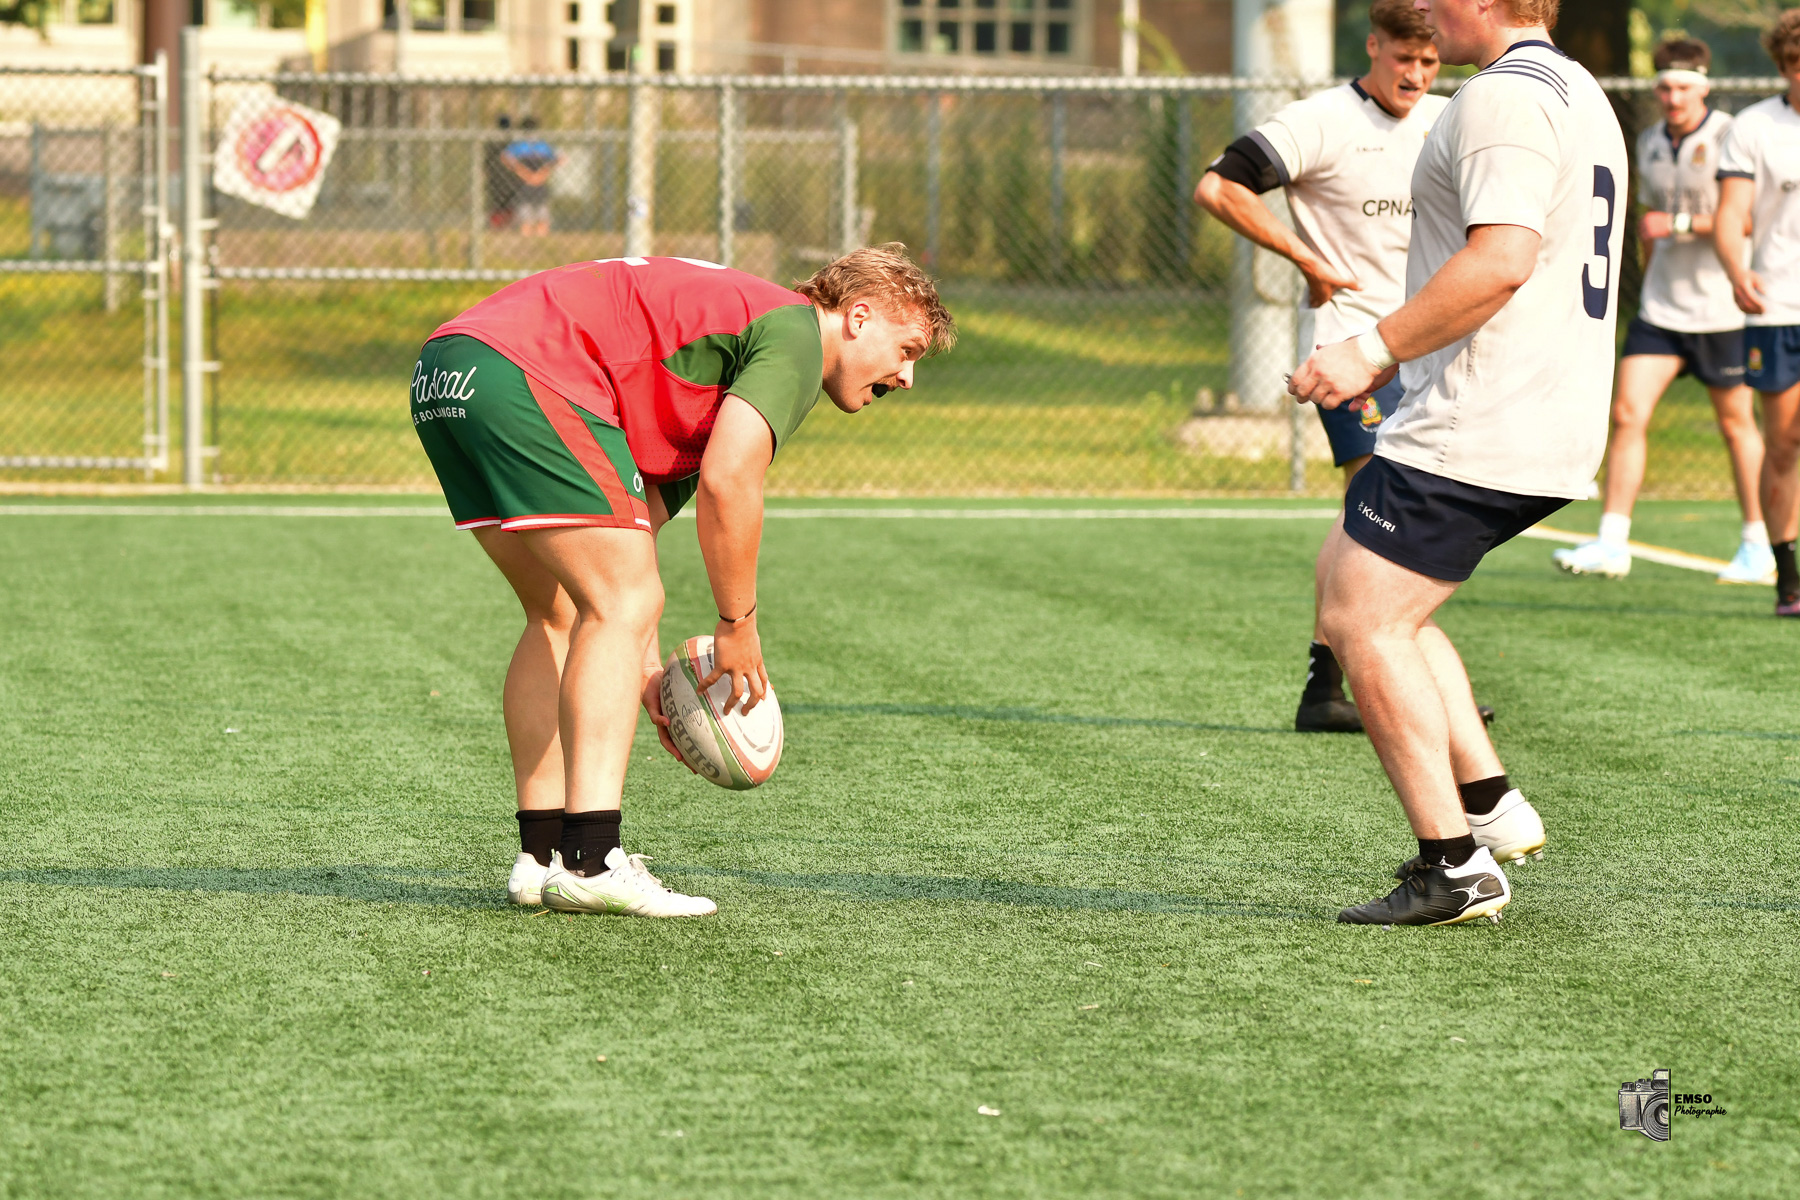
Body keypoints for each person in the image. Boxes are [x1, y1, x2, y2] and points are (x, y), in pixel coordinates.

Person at [411, 248, 955, 916]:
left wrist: (649, 685)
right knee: (620, 600)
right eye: (906, 350)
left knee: (560, 609)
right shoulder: (793, 336)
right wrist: (738, 626)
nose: (906, 377)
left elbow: (633, 546)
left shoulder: (715, 372)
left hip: (451, 367)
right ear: (857, 316)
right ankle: (591, 858)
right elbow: (730, 482)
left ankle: (544, 854)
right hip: (526, 369)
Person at [1288, 0, 1627, 926]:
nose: (1426, 17)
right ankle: (1489, 802)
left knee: (1362, 621)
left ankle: (1455, 867)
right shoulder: (1579, 88)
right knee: (1356, 583)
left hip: (1483, 418)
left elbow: (1501, 261)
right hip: (1529, 414)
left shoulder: (1502, 98)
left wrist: (1370, 351)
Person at [1195, 0, 1450, 735]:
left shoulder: (1447, 119)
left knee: (1374, 519)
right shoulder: (1321, 120)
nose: (1417, 74)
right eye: (1405, 58)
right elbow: (1219, 186)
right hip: (1349, 350)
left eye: (1430, 63)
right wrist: (1305, 256)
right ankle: (1385, 682)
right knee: (1376, 509)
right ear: (1373, 46)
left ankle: (1326, 687)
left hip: (1426, 348)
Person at [1554, 38, 1772, 585]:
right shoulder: (1649, 140)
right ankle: (1612, 541)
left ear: (1702, 87)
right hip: (1661, 310)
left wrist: (1676, 226)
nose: (1672, 97)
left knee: (1736, 424)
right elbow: (1650, 224)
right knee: (1627, 413)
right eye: (1664, 87)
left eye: (1682, 87)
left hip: (1722, 310)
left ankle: (1757, 543)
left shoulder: (1729, 137)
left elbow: (1745, 221)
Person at [1714, 10, 1800, 618]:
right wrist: (1734, 267)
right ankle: (1788, 577)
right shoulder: (1753, 127)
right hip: (1777, 308)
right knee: (1786, 442)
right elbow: (1730, 213)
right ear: (1782, 66)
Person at [501, 117, 562, 237]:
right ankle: (528, 241)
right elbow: (505, 157)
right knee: (526, 218)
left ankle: (539, 241)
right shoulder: (520, 145)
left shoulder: (542, 145)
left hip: (539, 184)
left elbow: (560, 158)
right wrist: (525, 174)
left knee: (542, 216)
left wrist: (541, 174)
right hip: (524, 185)